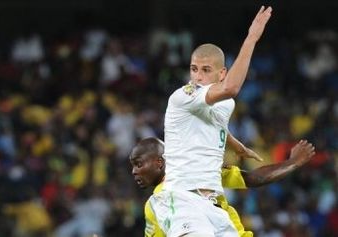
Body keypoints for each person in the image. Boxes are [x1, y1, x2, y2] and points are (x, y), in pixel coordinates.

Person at [154, 6, 273, 236]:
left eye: (206, 70)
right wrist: (251, 38)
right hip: (182, 199)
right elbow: (233, 87)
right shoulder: (185, 95)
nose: (197, 76)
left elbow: (215, 122)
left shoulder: (225, 104)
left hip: (213, 204)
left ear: (221, 73)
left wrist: (237, 146)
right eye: (194, 69)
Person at [130, 137, 316, 237]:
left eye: (138, 164)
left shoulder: (195, 172)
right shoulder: (154, 204)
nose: (134, 172)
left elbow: (251, 178)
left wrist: (293, 162)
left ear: (159, 162)